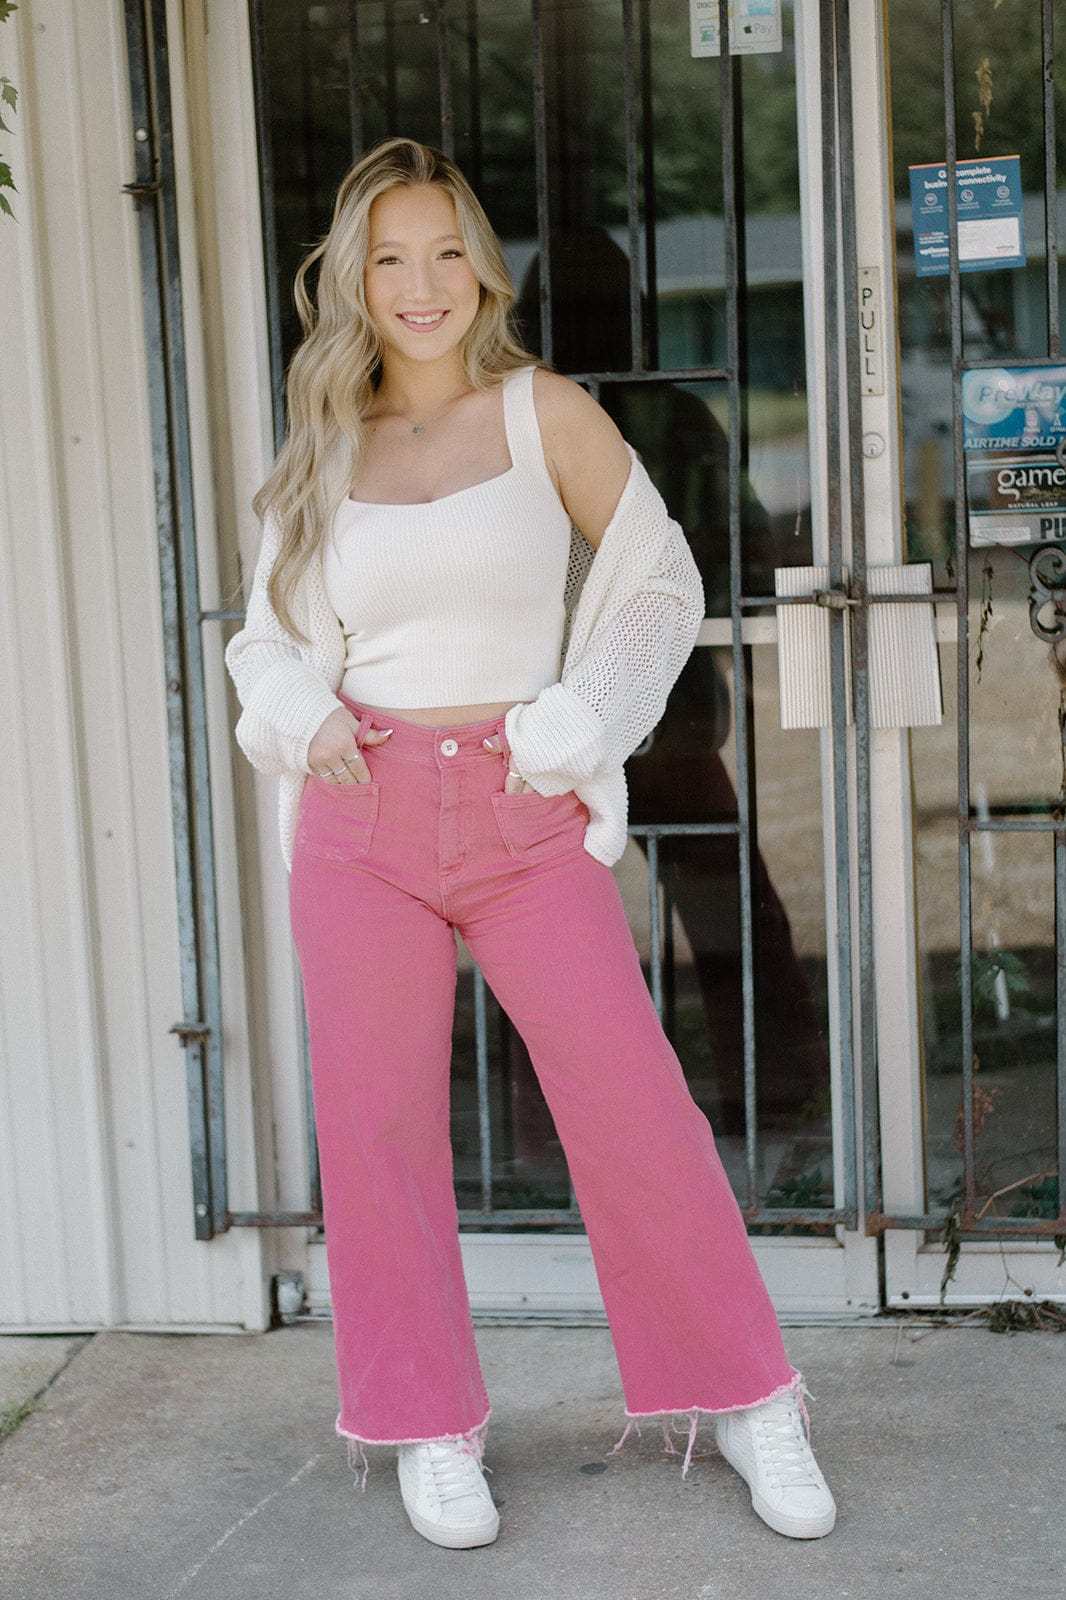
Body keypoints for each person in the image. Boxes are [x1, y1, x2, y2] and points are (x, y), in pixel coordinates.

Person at [223, 135, 837, 1548]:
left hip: (515, 807)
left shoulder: (537, 412)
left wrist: (574, 726)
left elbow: (656, 582)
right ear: (353, 279)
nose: (421, 284)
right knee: (377, 1130)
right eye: (390, 257)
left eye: (445, 252)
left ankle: (748, 1397)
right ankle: (428, 1425)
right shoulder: (322, 441)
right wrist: (300, 705)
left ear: (481, 268)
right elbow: (263, 633)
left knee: (630, 1106)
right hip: (362, 812)